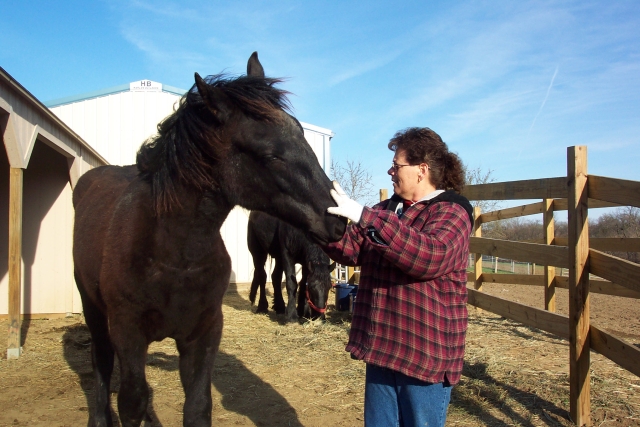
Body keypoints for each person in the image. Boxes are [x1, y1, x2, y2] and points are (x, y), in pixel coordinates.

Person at [324, 127, 473, 427]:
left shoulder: (452, 211)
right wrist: (315, 218)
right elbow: (350, 250)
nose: (390, 170)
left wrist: (364, 216)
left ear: (422, 170)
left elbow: (429, 256)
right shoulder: (388, 209)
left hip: (424, 356)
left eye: (397, 164)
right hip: (382, 349)